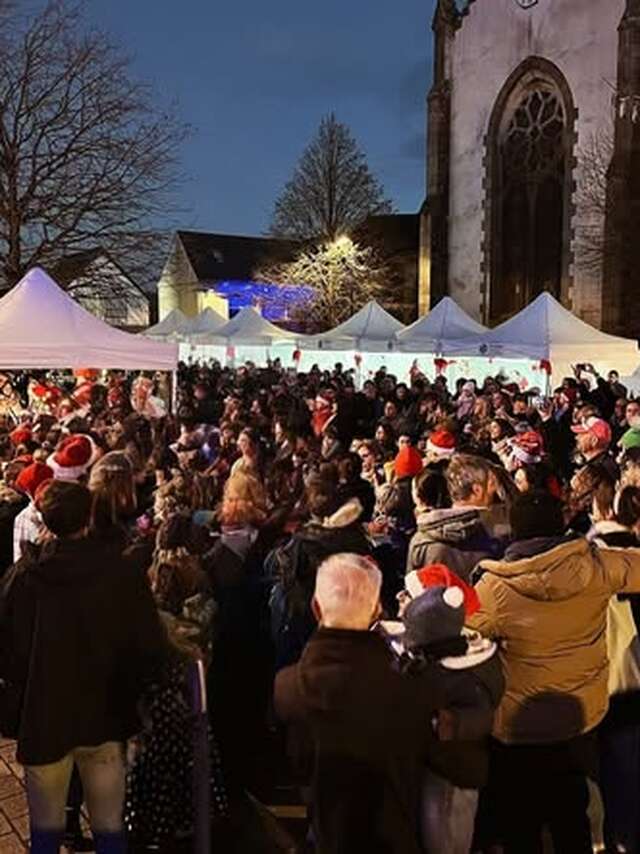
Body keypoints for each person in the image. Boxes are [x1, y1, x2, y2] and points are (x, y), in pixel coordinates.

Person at [0, 480, 168, 854]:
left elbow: (7, 649)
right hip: (105, 714)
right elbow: (146, 646)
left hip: (44, 715)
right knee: (109, 823)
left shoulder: (24, 578)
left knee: (46, 829)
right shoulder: (121, 573)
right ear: (90, 518)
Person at [469, 490, 640, 854]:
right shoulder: (595, 566)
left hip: (519, 729)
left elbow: (460, 630)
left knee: (521, 824)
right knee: (572, 818)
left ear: (514, 531)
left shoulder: (495, 588)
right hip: (579, 719)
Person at [274, 553, 440, 854]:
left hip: (327, 834)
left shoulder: (288, 688)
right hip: (395, 836)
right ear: (377, 609)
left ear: (316, 607)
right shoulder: (411, 687)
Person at [406, 454, 501, 580]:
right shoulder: (498, 531)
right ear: (477, 490)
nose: (493, 492)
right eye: (490, 485)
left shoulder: (421, 541)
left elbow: (412, 590)